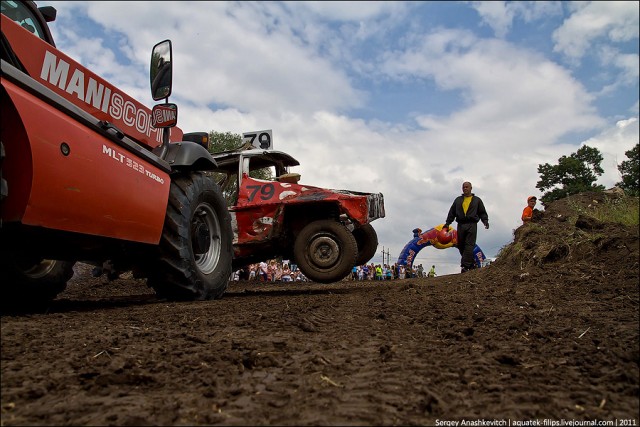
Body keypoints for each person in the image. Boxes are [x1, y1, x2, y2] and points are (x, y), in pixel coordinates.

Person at [443, 181, 489, 273]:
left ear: (471, 188)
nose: (465, 189)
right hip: (461, 224)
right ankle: (471, 263)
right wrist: (448, 223)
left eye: (467, 187)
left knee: (469, 245)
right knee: (461, 245)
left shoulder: (477, 200)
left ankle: (465, 266)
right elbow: (452, 212)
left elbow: (482, 212)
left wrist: (485, 221)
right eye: (463, 187)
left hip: (472, 224)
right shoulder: (458, 200)